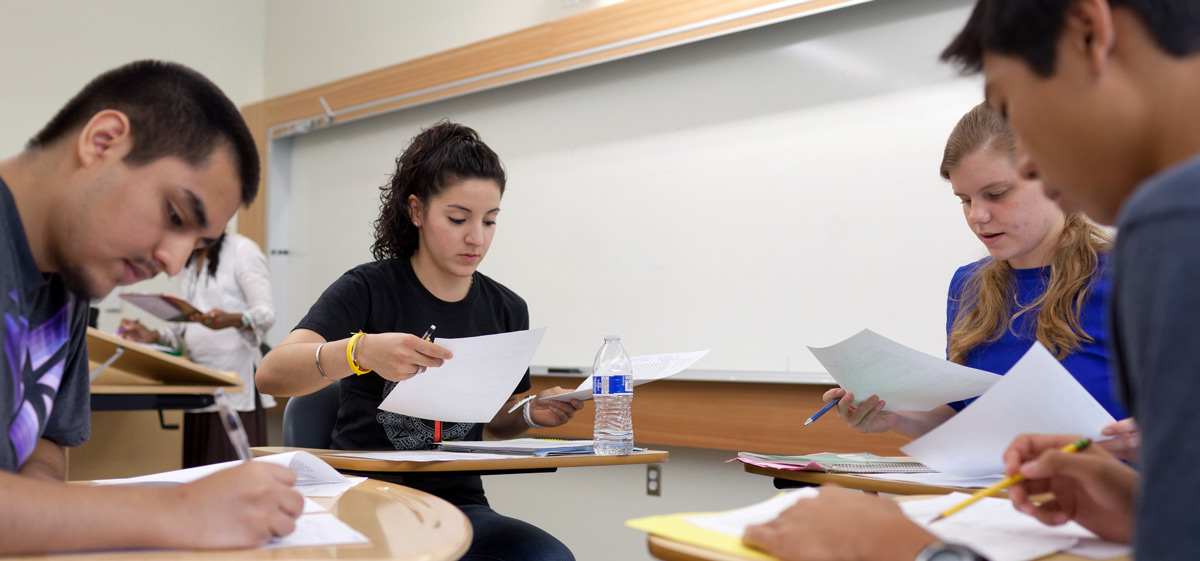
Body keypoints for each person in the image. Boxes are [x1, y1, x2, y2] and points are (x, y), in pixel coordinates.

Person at [744, 1, 1200, 559]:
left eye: (1025, 113)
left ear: (1090, 31)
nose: (1039, 167)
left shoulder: (1168, 228)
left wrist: (910, 551)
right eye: (965, 200)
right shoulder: (979, 282)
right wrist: (1134, 503)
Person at [0, 60, 302, 555]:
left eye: (197, 241)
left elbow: (45, 448)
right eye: (175, 214)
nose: (172, 259)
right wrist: (175, 511)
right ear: (102, 142)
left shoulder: (71, 283)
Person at [256, 121, 583, 561]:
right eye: (457, 218)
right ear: (416, 211)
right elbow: (271, 374)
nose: (477, 238)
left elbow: (493, 422)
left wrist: (529, 413)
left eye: (490, 221)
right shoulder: (368, 288)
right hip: (362, 499)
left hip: (459, 505)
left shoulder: (506, 308)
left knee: (546, 557)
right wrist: (361, 351)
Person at [823, 102, 1127, 440]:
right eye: (965, 200)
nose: (977, 216)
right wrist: (898, 418)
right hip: (996, 491)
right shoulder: (968, 285)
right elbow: (965, 415)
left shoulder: (1132, 277)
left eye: (996, 194)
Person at [119, 231, 277, 467]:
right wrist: (153, 335)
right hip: (197, 383)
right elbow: (186, 329)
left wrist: (233, 319)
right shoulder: (191, 260)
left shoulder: (243, 250)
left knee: (227, 474)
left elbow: (266, 314)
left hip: (233, 385)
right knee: (197, 473)